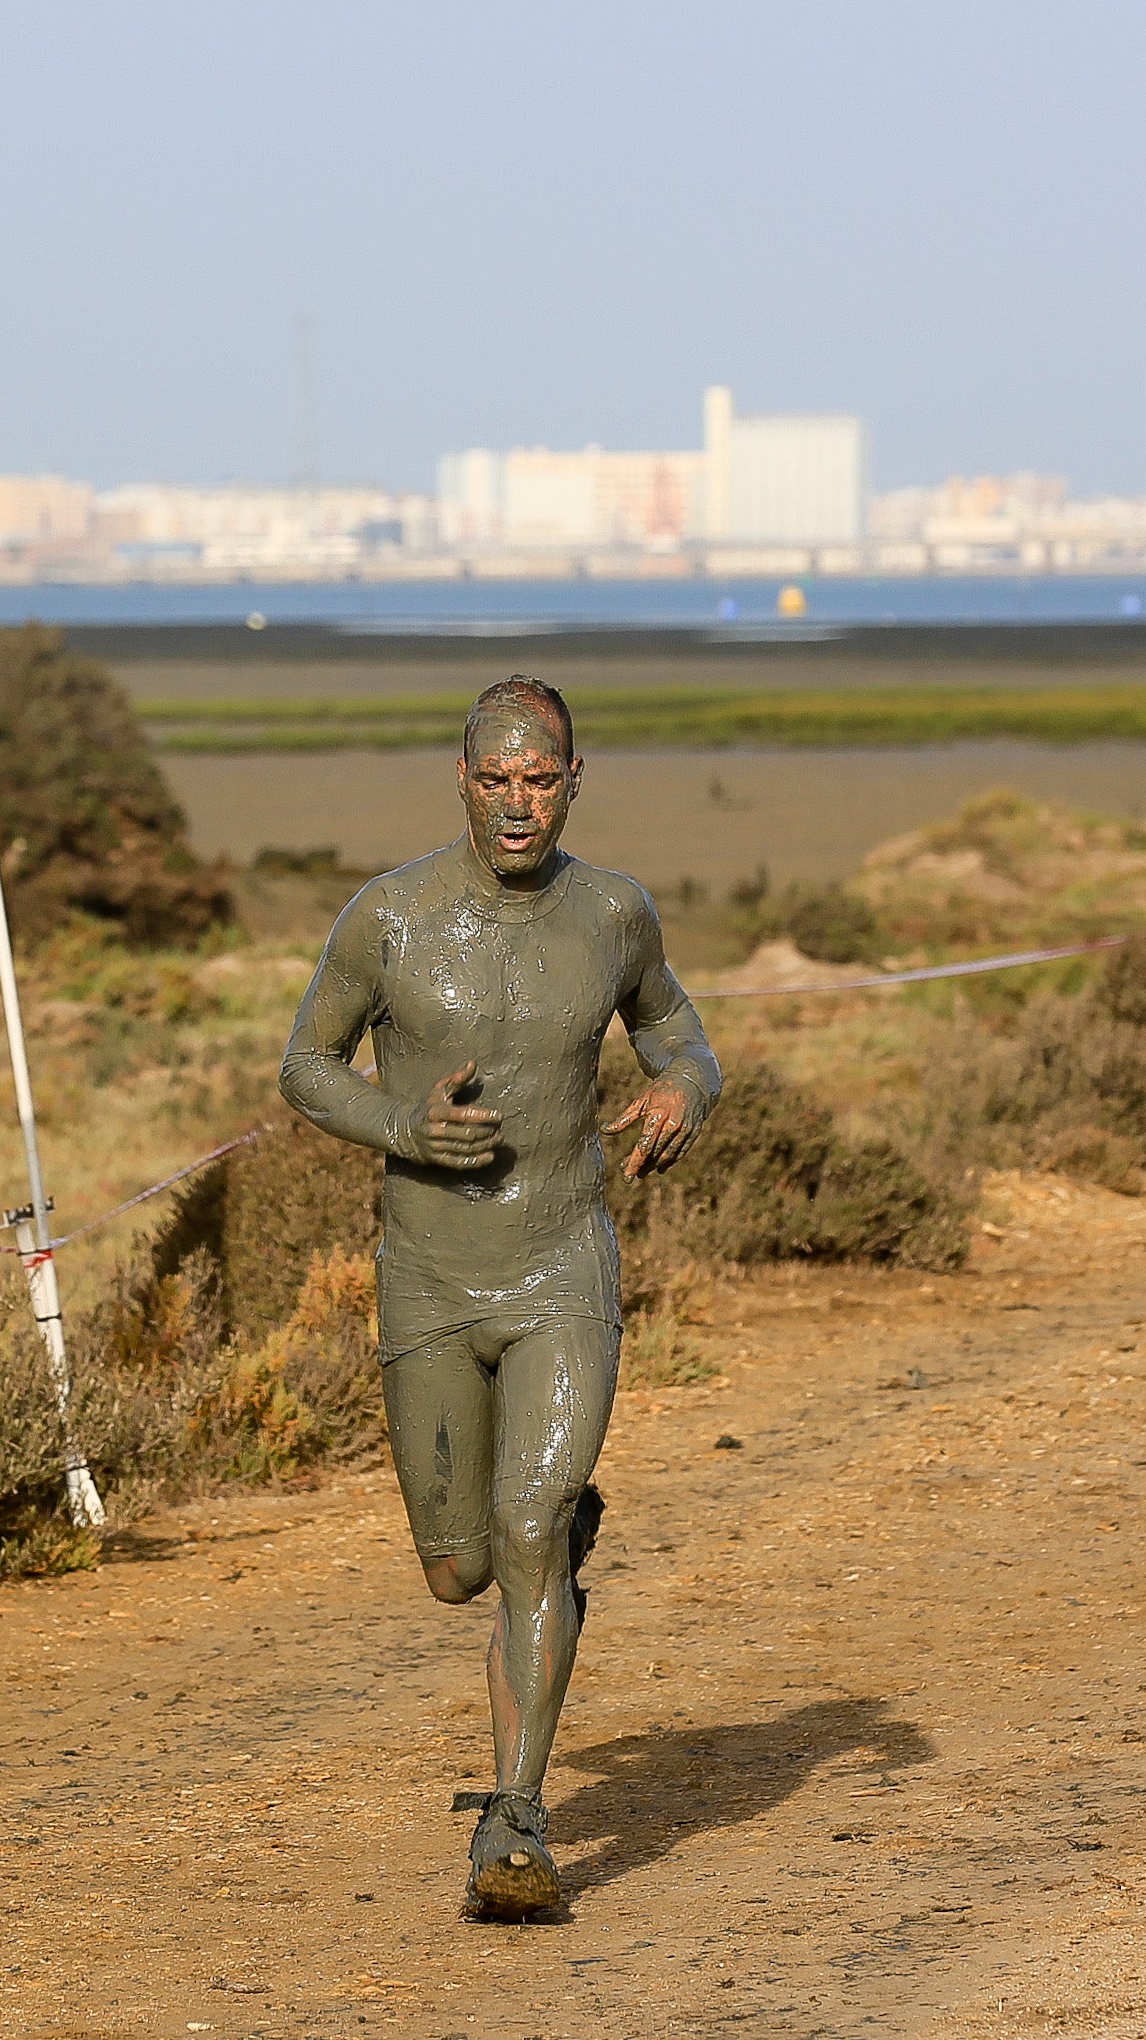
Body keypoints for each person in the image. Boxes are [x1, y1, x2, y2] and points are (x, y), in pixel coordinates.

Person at [278, 676, 722, 1919]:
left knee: (527, 1522)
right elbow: (303, 1063)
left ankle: (516, 1826)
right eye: (496, 780)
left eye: (543, 780)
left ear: (575, 783)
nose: (520, 804)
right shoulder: (389, 919)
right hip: (425, 1273)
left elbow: (685, 1037)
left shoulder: (614, 914)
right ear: (461, 781)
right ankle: (547, 1539)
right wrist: (399, 1126)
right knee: (458, 1567)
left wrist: (688, 1089)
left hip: (561, 1262)